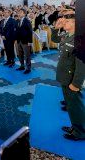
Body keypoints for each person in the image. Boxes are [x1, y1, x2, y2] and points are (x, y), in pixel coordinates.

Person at [52, 9, 85, 141]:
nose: (63, 21)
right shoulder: (68, 35)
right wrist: (56, 28)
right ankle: (76, 126)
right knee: (71, 106)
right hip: (65, 78)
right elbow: (54, 39)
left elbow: (82, 65)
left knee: (76, 106)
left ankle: (80, 132)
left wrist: (76, 84)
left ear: (76, 22)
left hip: (72, 80)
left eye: (67, 20)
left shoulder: (79, 39)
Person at [16, 9, 33, 74]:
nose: (19, 13)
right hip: (19, 41)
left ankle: (28, 68)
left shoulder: (27, 21)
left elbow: (30, 32)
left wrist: (30, 41)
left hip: (26, 41)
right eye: (18, 12)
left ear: (24, 14)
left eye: (20, 12)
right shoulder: (18, 21)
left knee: (27, 55)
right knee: (20, 54)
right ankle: (22, 65)